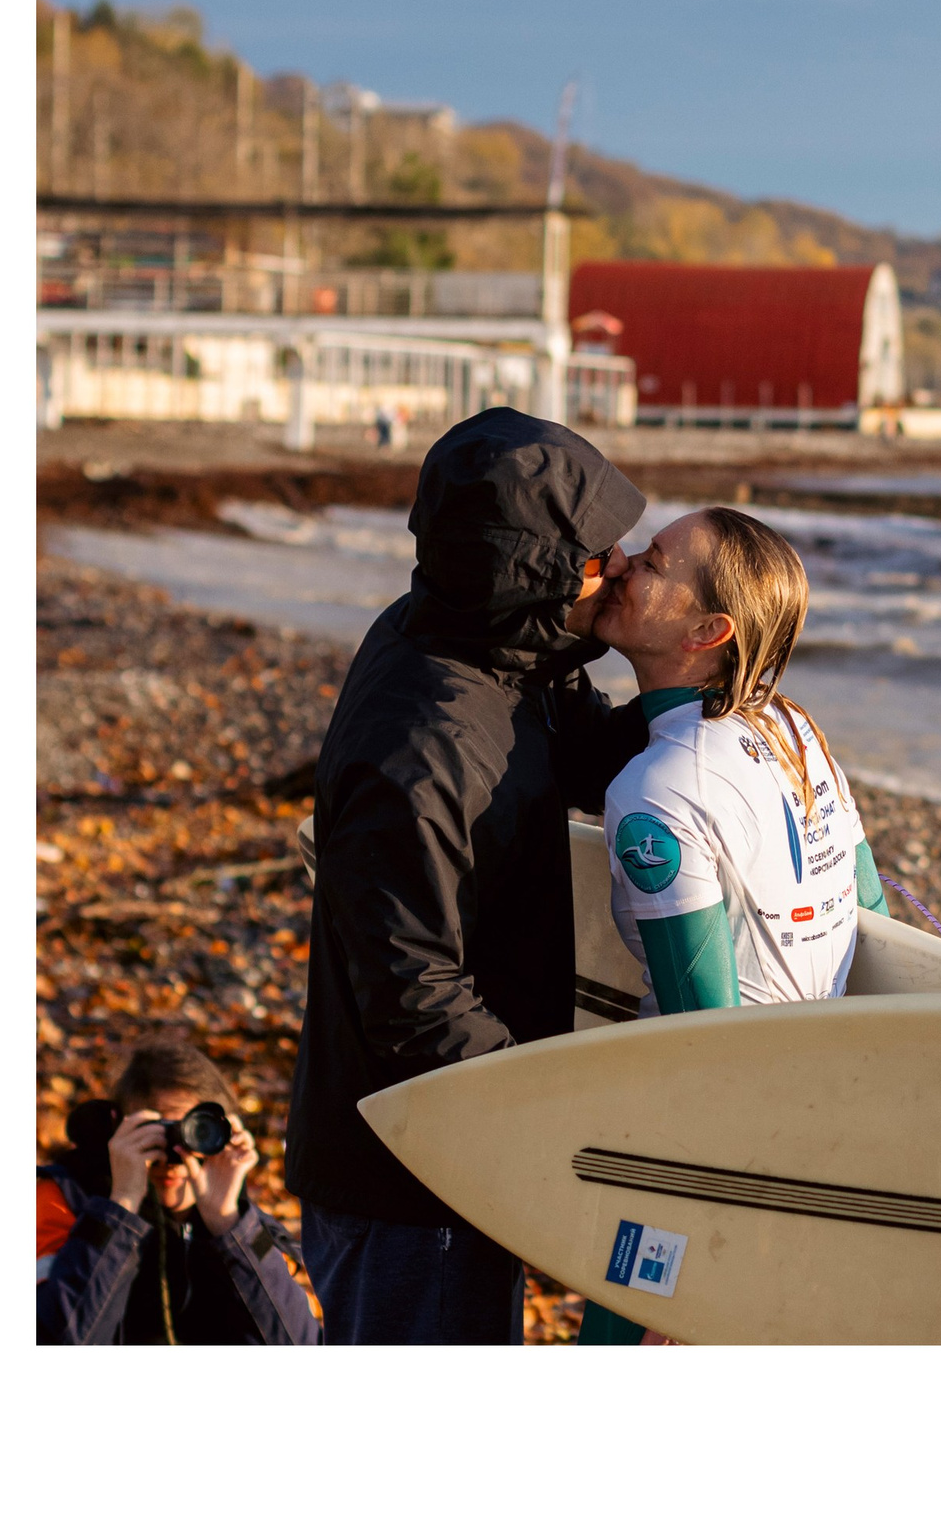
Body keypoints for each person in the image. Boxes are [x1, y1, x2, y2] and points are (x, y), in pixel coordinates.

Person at [285, 407, 648, 1344]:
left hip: (454, 1151)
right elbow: (414, 999)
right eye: (604, 554)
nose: (624, 566)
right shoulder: (428, 746)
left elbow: (594, 760)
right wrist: (549, 1130)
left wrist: (712, 707)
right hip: (412, 1184)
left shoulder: (493, 644)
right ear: (536, 571)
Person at [578, 504, 880, 1345]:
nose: (627, 561)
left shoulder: (658, 791)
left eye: (656, 560)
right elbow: (875, 919)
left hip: (703, 1137)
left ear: (707, 628)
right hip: (815, 1114)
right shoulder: (796, 733)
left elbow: (701, 1037)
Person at [38, 1025, 319, 1344]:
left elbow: (301, 1346)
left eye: (194, 1132)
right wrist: (120, 1209)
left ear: (223, 1135)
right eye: (155, 1130)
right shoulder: (60, 1199)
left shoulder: (245, 1227)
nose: (173, 1155)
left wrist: (230, 1226)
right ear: (117, 1128)